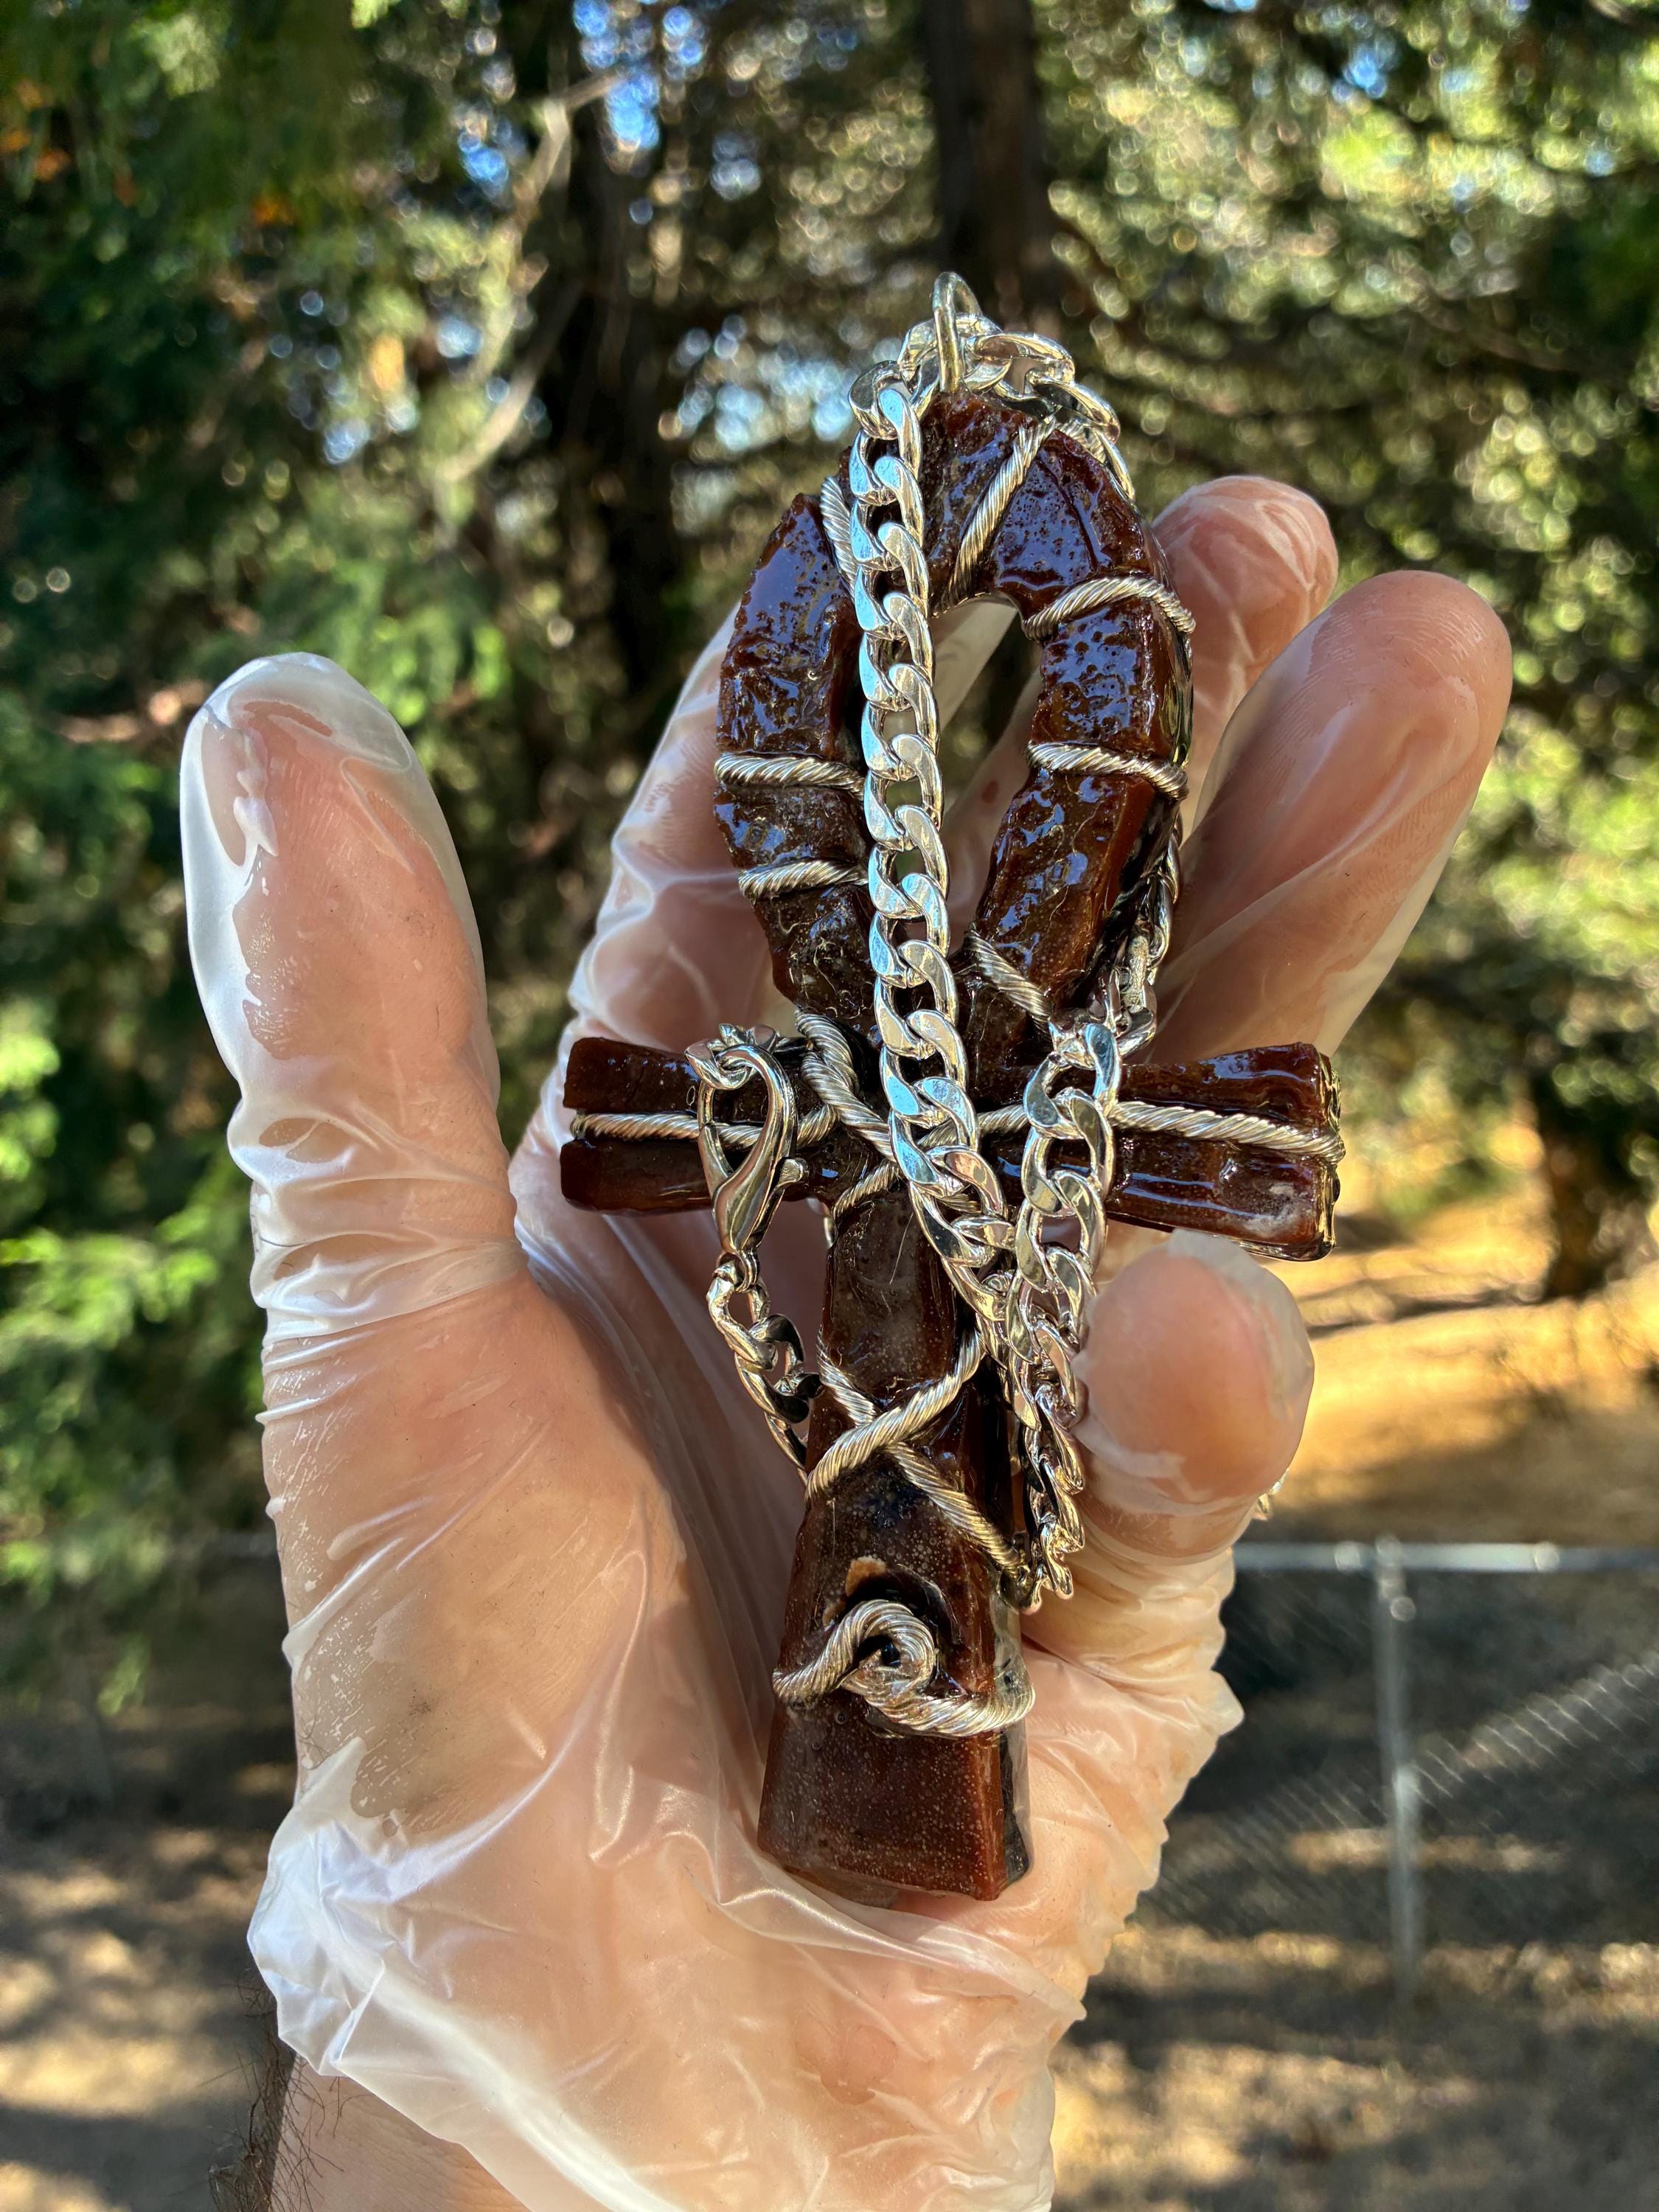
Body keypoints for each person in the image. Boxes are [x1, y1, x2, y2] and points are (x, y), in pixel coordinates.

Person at [182, 473, 1509, 2211]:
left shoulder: (937, 1103)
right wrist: (464, 2101)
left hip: (927, 1539)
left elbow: (1251, 1151)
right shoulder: (801, 1118)